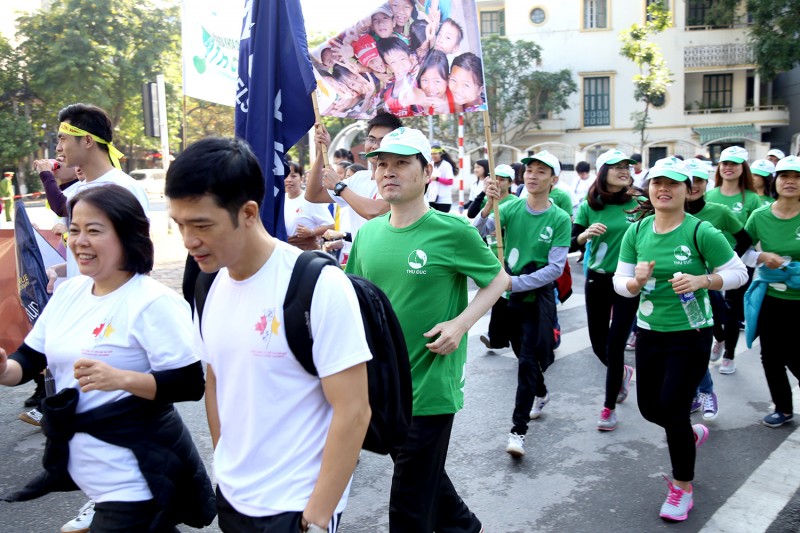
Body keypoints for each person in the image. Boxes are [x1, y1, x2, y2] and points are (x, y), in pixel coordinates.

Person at [167, 137, 372, 533]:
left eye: (201, 225)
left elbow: (354, 410)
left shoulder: (318, 285)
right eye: (179, 224)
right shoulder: (207, 286)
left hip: (296, 507)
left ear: (248, 212)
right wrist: (226, 468)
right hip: (232, 498)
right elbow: (216, 381)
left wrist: (316, 515)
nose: (189, 240)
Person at [0, 185, 215, 532]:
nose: (79, 241)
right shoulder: (69, 292)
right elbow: (26, 361)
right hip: (98, 484)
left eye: (94, 231)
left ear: (128, 235)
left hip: (134, 482)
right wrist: (3, 368)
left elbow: (190, 384)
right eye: (74, 230)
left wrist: (120, 379)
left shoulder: (152, 302)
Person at [346, 127, 507, 532]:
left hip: (432, 385)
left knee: (407, 509)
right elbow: (358, 304)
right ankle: (464, 528)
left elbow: (498, 279)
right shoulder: (367, 234)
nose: (388, 171)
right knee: (424, 479)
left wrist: (460, 324)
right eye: (381, 163)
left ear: (427, 171)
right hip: (386, 389)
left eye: (401, 163)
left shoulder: (453, 231)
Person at [613, 157, 747, 522]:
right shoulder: (637, 231)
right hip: (649, 333)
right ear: (649, 189)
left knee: (672, 408)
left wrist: (704, 280)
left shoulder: (701, 231)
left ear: (688, 191)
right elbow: (620, 284)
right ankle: (688, 435)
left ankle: (682, 488)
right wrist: (636, 283)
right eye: (657, 182)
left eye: (673, 184)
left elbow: (738, 273)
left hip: (692, 333)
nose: (664, 189)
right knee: (649, 409)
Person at [474, 151, 571, 457]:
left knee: (528, 361)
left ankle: (518, 431)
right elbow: (477, 233)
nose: (533, 175)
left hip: (534, 298)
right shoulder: (511, 207)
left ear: (553, 180)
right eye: (529, 170)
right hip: (506, 299)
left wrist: (515, 283)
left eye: (541, 171)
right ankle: (540, 392)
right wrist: (488, 206)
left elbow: (555, 268)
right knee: (521, 356)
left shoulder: (560, 218)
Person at [571, 149, 640, 431]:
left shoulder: (641, 201)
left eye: (627, 167)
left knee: (614, 345)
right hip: (597, 280)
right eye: (617, 167)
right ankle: (622, 372)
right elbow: (572, 242)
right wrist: (586, 235)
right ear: (603, 172)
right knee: (599, 345)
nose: (625, 170)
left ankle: (608, 407)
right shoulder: (591, 204)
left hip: (628, 281)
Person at [683, 158, 753, 421]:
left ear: (705, 183)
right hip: (672, 293)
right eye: (688, 181)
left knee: (714, 329)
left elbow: (745, 238)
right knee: (686, 346)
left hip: (707, 286)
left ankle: (706, 390)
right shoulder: (663, 213)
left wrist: (721, 267)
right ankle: (695, 392)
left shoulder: (719, 211)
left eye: (699, 181)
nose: (693, 186)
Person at [743, 155, 800, 428]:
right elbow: (739, 251)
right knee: (772, 356)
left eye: (797, 177)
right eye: (784, 176)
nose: (790, 182)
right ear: (774, 181)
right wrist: (762, 256)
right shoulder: (760, 215)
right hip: (771, 297)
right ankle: (783, 408)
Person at [305, 112, 398, 265]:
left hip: (388, 262)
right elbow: (313, 195)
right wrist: (322, 152)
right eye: (371, 139)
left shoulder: (396, 180)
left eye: (383, 141)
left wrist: (339, 186)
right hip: (361, 261)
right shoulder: (358, 178)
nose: (374, 146)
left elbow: (374, 211)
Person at [704, 146, 760, 375]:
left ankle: (729, 356)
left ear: (742, 168)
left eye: (734, 164)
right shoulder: (710, 195)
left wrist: (731, 260)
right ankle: (719, 336)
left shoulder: (753, 199)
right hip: (708, 263)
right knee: (714, 305)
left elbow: (752, 236)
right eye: (725, 163)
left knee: (735, 308)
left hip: (740, 261)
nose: (728, 168)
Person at [469, 165, 521, 351]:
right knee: (497, 297)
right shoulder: (488, 199)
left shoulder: (515, 202)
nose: (498, 181)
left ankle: (502, 337)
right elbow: (472, 218)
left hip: (509, 256)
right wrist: (485, 197)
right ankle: (498, 337)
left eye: (503, 178)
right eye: (495, 177)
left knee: (503, 297)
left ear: (510, 182)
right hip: (489, 254)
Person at [284, 162, 334, 251]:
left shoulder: (310, 199)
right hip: (285, 252)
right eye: (285, 176)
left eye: (293, 176)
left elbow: (331, 225)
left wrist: (312, 232)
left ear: (301, 178)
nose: (288, 180)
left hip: (306, 252)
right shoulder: (280, 199)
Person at [416, 50, 455, 115]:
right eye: (425, 80)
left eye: (437, 81)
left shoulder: (455, 97)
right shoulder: (418, 97)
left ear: (447, 80)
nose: (431, 88)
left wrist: (447, 110)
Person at [427, 141, 457, 212]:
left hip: (444, 200)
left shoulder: (446, 165)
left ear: (440, 154)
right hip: (432, 198)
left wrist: (437, 179)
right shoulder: (430, 164)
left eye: (435, 154)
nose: (433, 156)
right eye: (432, 154)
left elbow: (450, 181)